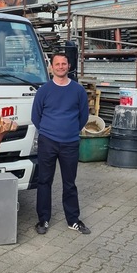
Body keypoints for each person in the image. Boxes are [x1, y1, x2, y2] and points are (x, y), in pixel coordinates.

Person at [31, 53, 91, 235]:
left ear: (69, 65)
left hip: (70, 143)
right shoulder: (44, 90)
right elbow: (36, 116)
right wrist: (50, 131)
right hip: (47, 142)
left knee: (69, 183)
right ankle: (43, 219)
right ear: (52, 68)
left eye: (63, 63)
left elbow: (83, 116)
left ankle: (73, 220)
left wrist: (70, 130)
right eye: (57, 64)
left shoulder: (78, 90)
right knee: (44, 181)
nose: (60, 67)